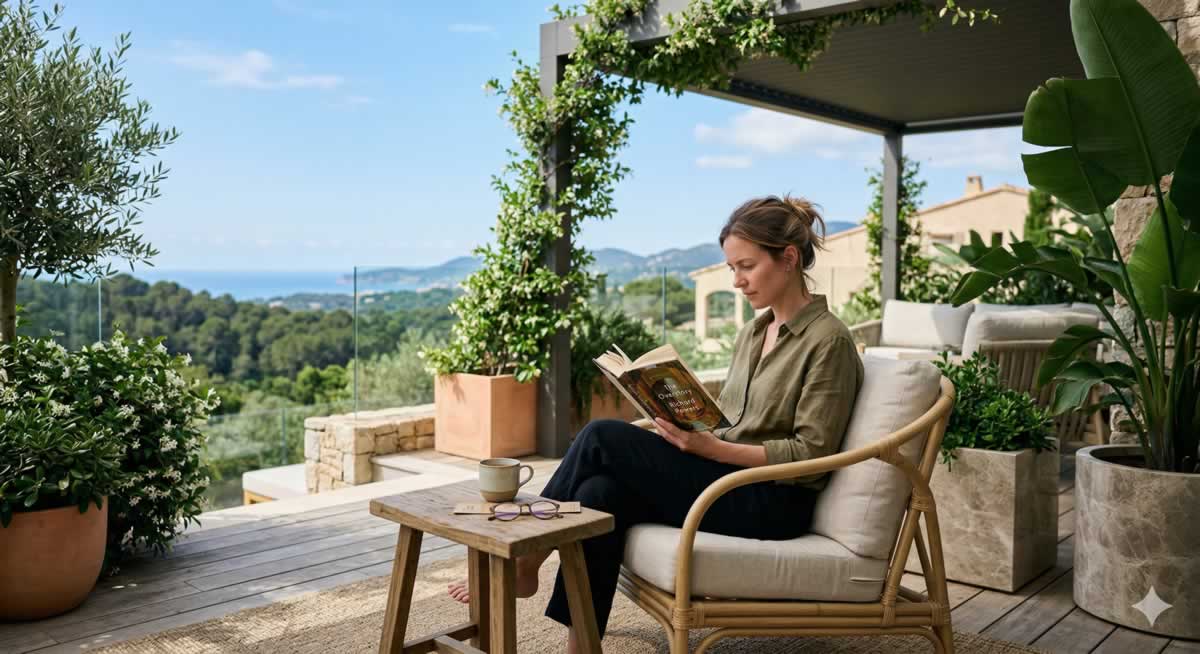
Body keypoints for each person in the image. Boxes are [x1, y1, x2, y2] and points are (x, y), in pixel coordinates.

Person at [448, 195, 865, 653]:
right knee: (597, 495)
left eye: (746, 266)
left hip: (771, 499)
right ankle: (581, 646)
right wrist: (685, 422)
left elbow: (813, 456)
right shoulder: (753, 332)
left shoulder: (830, 341)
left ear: (787, 259)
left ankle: (526, 557)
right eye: (731, 268)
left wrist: (710, 450)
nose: (736, 281)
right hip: (724, 478)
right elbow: (729, 422)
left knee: (601, 435)